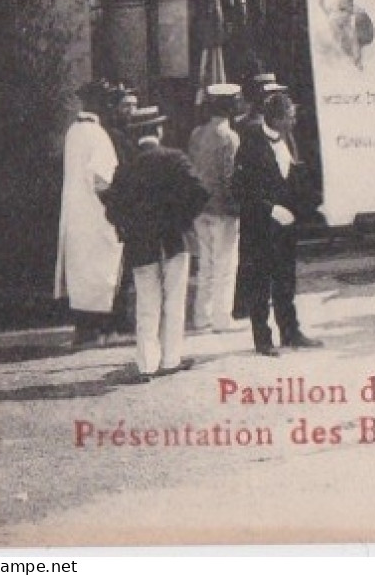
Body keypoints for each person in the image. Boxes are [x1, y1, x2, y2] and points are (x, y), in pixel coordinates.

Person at [103, 106, 209, 382]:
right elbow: (201, 192)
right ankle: (171, 358)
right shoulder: (175, 159)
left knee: (147, 304)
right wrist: (182, 220)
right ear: (158, 131)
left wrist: (128, 229)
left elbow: (111, 208)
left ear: (137, 135)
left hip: (141, 246)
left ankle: (147, 364)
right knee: (174, 301)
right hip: (174, 241)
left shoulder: (125, 168)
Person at [233, 90, 324, 356]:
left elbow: (294, 178)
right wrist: (270, 209)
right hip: (260, 227)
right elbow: (240, 188)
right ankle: (263, 340)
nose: (294, 121)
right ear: (277, 118)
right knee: (259, 283)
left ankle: (290, 332)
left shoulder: (289, 141)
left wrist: (311, 206)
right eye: (290, 117)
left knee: (285, 281)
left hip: (286, 228)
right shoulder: (250, 143)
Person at [55, 80, 125, 347]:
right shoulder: (97, 134)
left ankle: (84, 328)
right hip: (96, 214)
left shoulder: (73, 131)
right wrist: (115, 203)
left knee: (83, 270)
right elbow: (101, 178)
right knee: (101, 269)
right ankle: (99, 330)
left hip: (76, 213)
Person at [187, 83, 243, 333]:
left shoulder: (197, 134)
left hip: (201, 208)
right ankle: (222, 317)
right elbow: (230, 176)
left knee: (206, 264)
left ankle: (202, 315)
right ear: (230, 106)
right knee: (225, 264)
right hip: (223, 208)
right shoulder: (229, 137)